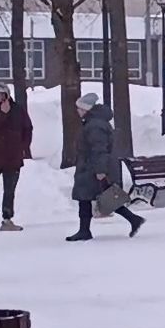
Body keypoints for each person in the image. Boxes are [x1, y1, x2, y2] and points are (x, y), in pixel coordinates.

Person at [66, 93, 144, 242]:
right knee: (101, 197)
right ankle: (133, 220)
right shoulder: (94, 123)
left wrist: (100, 170)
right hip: (90, 166)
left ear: (86, 109)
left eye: (79, 108)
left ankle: (85, 230)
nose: (77, 111)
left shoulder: (94, 125)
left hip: (92, 167)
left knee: (91, 198)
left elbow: (99, 149)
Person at [0, 84, 32, 233]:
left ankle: (7, 219)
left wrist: (23, 147)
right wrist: (2, 114)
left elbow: (27, 128)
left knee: (9, 190)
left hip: (12, 157)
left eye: (2, 94)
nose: (0, 97)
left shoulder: (17, 110)